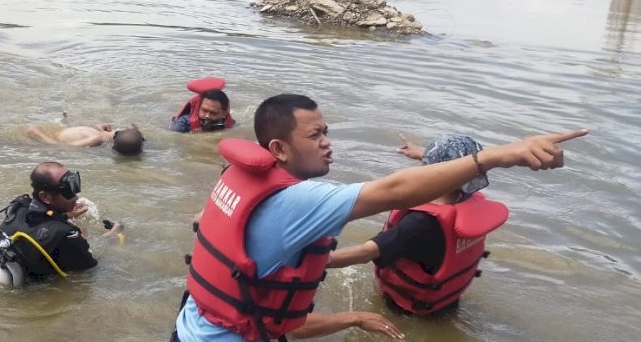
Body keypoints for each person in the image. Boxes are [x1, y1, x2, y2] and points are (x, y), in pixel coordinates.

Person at [174, 94, 586, 341]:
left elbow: (267, 313)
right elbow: (393, 191)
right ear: (279, 149)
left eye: (326, 131)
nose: (328, 144)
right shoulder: (299, 202)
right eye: (315, 136)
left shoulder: (238, 179)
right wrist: (497, 156)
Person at [326, 133, 509, 315]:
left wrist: (320, 261)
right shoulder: (467, 201)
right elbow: (456, 173)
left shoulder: (420, 223)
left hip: (407, 308)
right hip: (448, 301)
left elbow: (367, 252)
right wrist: (423, 154)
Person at [0, 162, 124, 286]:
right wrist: (112, 236)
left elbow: (37, 222)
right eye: (67, 190)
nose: (75, 195)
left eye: (74, 185)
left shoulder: (19, 208)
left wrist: (66, 215)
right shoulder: (65, 235)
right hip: (30, 293)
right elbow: (89, 268)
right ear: (45, 196)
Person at [27, 121, 145, 156]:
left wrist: (37, 132)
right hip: (60, 132)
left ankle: (66, 120)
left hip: (58, 135)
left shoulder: (96, 138)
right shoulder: (99, 136)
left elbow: (61, 146)